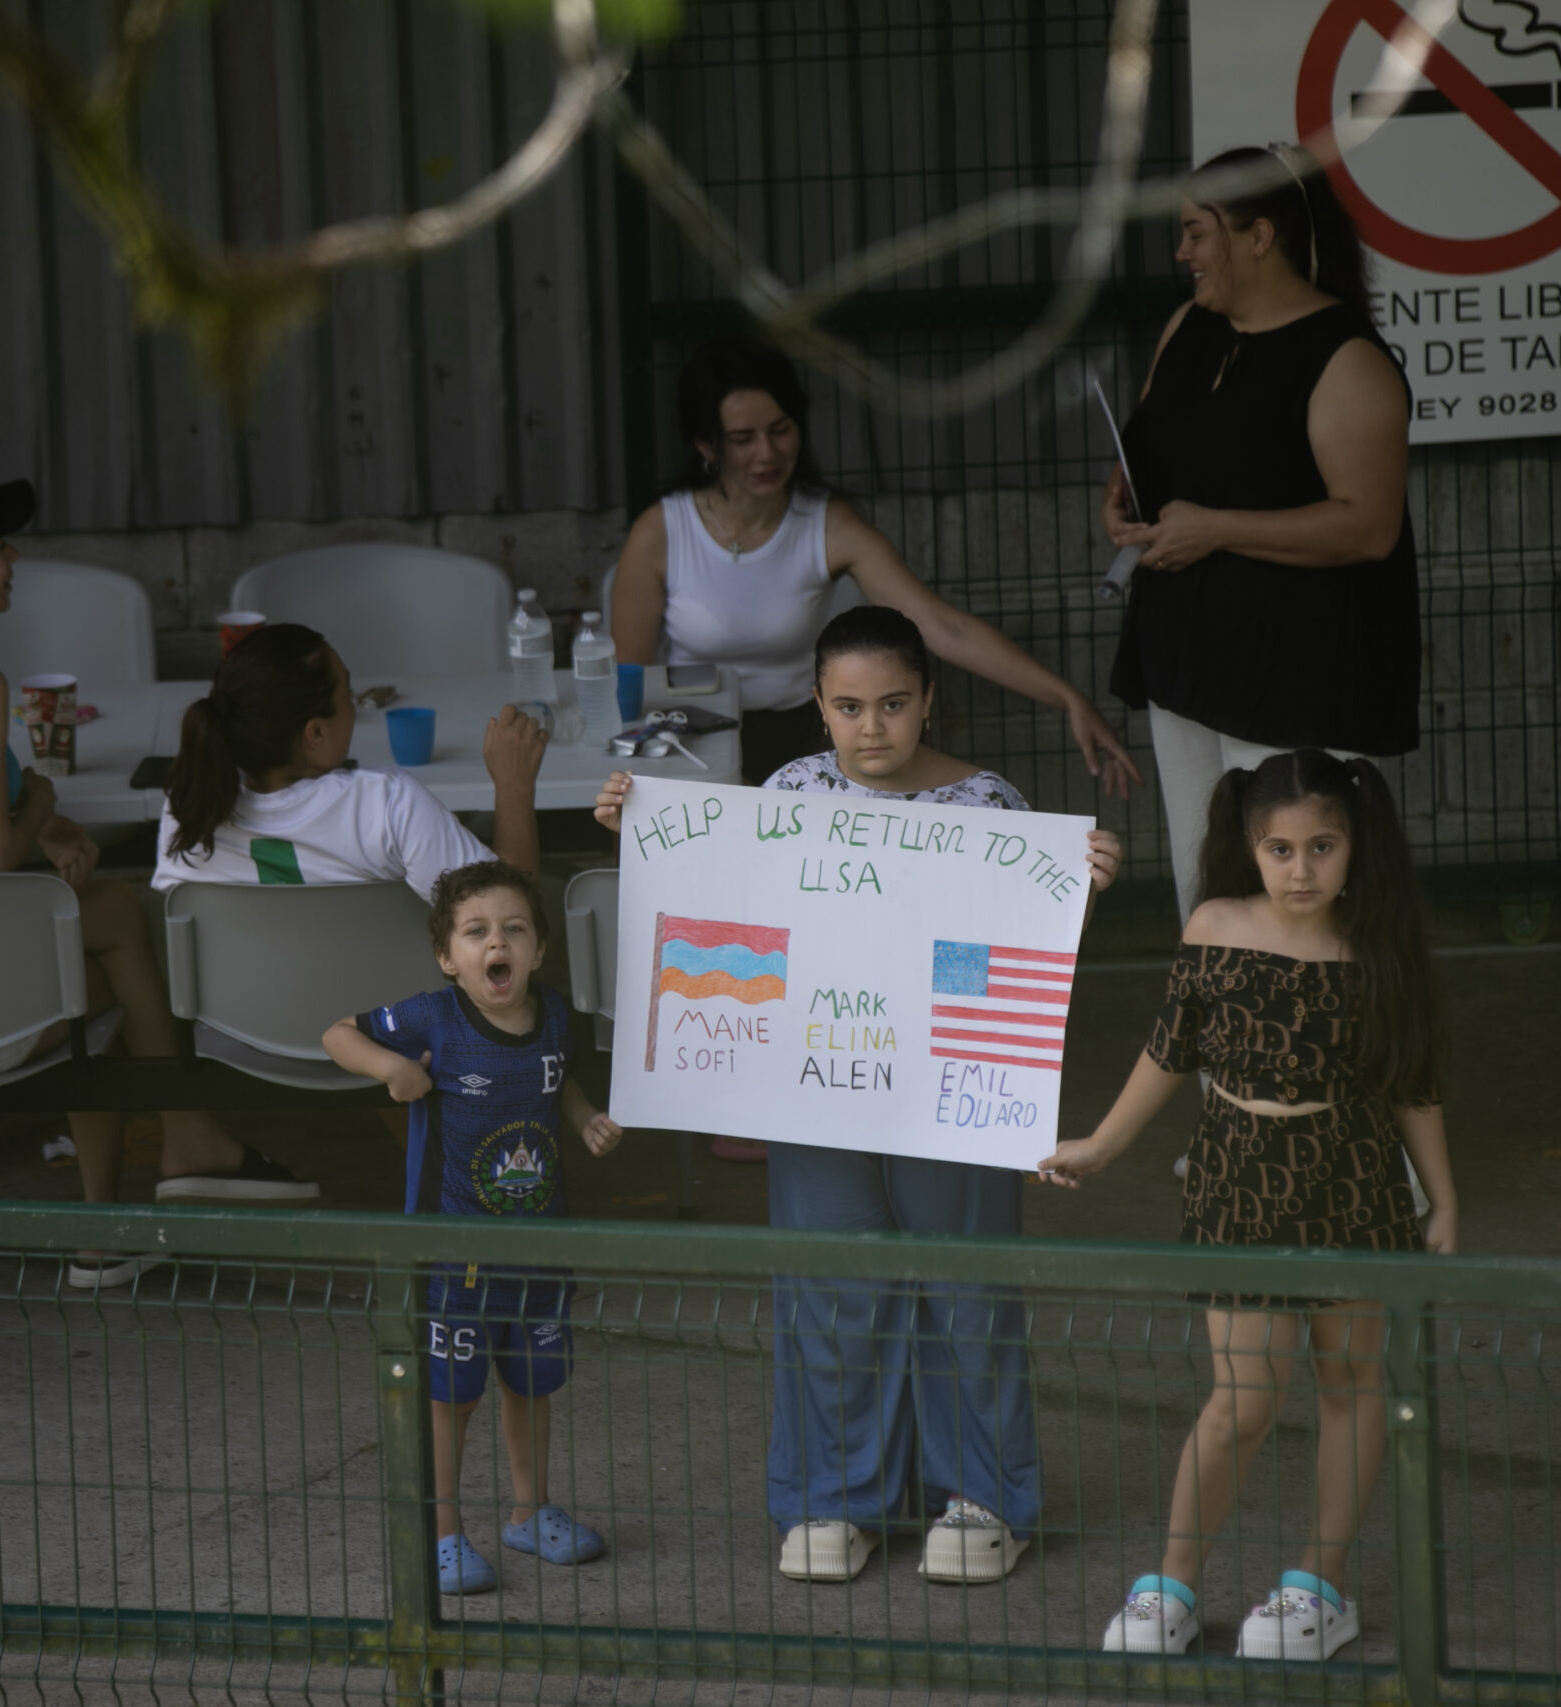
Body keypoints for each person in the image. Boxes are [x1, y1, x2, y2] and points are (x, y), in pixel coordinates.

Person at [596, 605, 1124, 1587]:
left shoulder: (991, 810)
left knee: (964, 1284)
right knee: (830, 1282)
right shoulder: (789, 789)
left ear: (930, 700)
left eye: (892, 703)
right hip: (816, 1083)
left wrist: (1071, 893)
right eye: (848, 705)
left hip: (946, 1091)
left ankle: (983, 1498)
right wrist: (650, 829)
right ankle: (836, 1498)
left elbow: (1012, 960)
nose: (871, 725)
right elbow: (737, 903)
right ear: (817, 705)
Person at [0, 467, 314, 1288]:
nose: (13, 556)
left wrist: (40, 825)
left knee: (107, 927)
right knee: (121, 926)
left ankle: (119, 1220)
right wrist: (41, 794)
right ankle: (179, 1147)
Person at [1036, 752, 1456, 1661]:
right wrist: (1102, 1145)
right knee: (1243, 1398)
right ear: (1249, 846)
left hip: (1353, 1185)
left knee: (1351, 1386)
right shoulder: (1214, 926)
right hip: (1237, 1182)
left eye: (1322, 846)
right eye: (1279, 847)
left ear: (1356, 847)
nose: (1300, 868)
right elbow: (1168, 1047)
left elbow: (1411, 1082)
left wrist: (1445, 1200)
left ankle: (1319, 1584)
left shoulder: (1378, 944)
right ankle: (1171, 1587)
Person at [612, 334, 1144, 795]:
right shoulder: (661, 531)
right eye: (743, 439)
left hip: (809, 742)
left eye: (780, 430)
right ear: (707, 444)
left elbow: (944, 628)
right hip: (693, 748)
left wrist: (1067, 696)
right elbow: (627, 686)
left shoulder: (828, 523)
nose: (767, 454)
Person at [1107, 145, 1421, 919]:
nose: (1182, 253)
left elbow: (1369, 526)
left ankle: (1311, 1040)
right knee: (1203, 876)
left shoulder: (1345, 357)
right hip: (1186, 657)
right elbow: (1151, 450)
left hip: (1295, 672)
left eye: (1196, 232)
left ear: (1259, 235)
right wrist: (1121, 499)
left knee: (1299, 893)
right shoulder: (1188, 327)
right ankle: (1221, 1029)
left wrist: (1215, 529)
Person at [322, 861, 624, 1595]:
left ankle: (529, 1511)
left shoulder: (554, 1015)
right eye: (477, 931)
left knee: (532, 1385)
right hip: (452, 1255)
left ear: (539, 949)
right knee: (451, 1398)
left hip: (538, 1250)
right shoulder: (434, 1015)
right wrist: (392, 1070)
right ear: (448, 956)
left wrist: (584, 1119)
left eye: (515, 929)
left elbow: (562, 1079)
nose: (499, 942)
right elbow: (337, 1033)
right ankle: (442, 1531)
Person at [153, 621, 547, 895]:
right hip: (381, 1017)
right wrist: (514, 786)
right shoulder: (386, 804)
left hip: (232, 1019)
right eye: (347, 694)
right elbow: (510, 916)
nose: (354, 708)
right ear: (316, 734)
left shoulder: (186, 806)